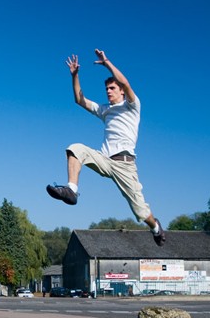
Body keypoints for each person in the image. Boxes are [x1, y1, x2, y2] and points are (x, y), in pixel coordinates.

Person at [46, 49, 166, 246]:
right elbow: (79, 100)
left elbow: (126, 83)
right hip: (105, 159)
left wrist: (107, 62)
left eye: (112, 88)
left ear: (121, 91)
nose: (108, 91)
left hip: (125, 165)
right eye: (107, 89)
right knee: (75, 148)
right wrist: (75, 75)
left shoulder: (133, 106)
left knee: (140, 212)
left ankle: (155, 227)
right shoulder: (105, 111)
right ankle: (72, 191)